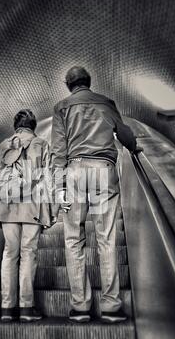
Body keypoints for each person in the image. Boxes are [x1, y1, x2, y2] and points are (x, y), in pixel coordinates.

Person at [51, 67, 138, 324]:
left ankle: (80, 307)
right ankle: (111, 306)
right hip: (103, 170)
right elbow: (123, 133)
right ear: (88, 82)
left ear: (68, 85)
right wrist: (133, 147)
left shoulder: (61, 107)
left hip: (74, 170)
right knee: (107, 238)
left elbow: (58, 151)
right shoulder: (106, 102)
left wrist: (58, 188)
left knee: (73, 240)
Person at [0, 109, 55, 323]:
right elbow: (48, 179)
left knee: (9, 254)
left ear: (15, 125)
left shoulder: (3, 145)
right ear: (34, 126)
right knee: (28, 253)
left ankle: (7, 309)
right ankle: (27, 308)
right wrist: (51, 211)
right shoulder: (41, 144)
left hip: (7, 205)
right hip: (32, 206)